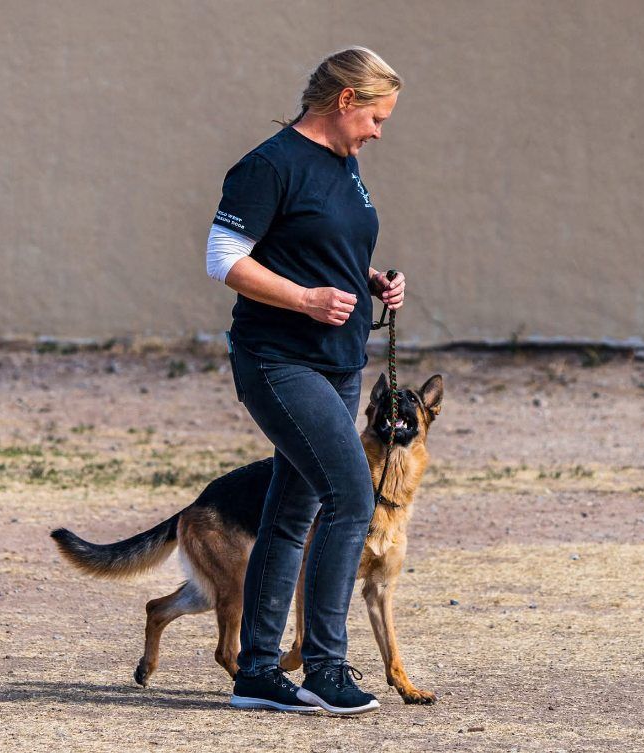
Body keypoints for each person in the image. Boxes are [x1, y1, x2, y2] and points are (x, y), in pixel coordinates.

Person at [205, 47, 405, 715]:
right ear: (345, 101)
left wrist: (370, 281)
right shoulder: (268, 165)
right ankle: (323, 665)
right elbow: (224, 257)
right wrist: (306, 300)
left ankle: (258, 672)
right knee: (352, 496)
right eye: (376, 117)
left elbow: (329, 247)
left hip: (340, 362)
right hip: (277, 360)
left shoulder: (346, 166)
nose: (379, 132)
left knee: (292, 512)